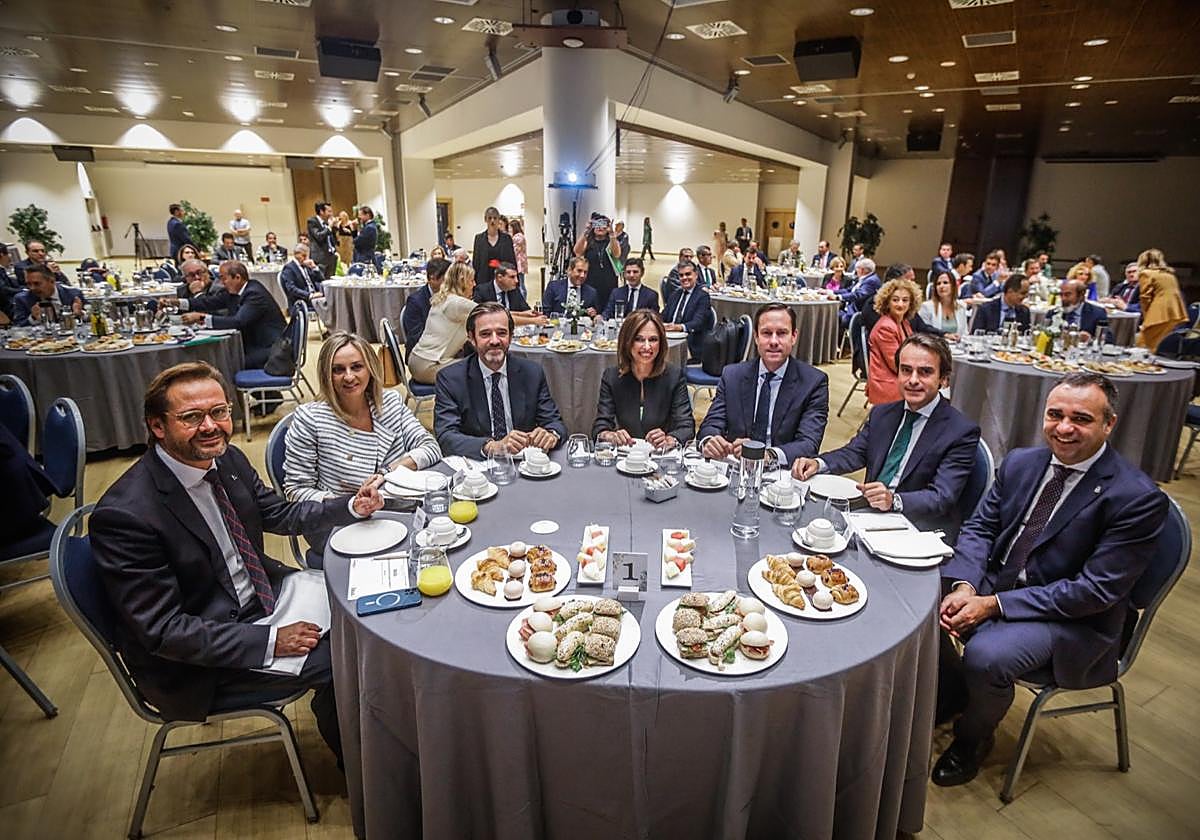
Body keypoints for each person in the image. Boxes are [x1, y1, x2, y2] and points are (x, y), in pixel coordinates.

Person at [89, 362, 384, 763]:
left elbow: (279, 515)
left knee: (369, 612)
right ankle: (361, 769)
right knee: (348, 659)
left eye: (219, 412)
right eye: (192, 417)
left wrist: (350, 505)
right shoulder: (127, 515)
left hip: (264, 599)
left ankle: (360, 730)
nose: (211, 426)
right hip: (202, 657)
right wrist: (270, 640)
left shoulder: (226, 461)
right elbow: (162, 631)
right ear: (157, 426)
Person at [933, 372, 1167, 786]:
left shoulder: (1136, 497)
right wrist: (966, 587)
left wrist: (993, 605)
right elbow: (979, 529)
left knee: (988, 657)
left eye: (1081, 419)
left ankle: (972, 738)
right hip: (997, 584)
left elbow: (1095, 590)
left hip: (1072, 620)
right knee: (913, 590)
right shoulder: (1024, 461)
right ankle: (952, 693)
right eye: (1055, 414)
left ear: (1109, 424)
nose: (1063, 427)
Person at [794, 333, 980, 538]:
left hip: (918, 529)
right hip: (868, 517)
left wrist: (894, 500)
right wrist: (819, 463)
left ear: (943, 380)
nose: (913, 380)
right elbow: (855, 453)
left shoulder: (960, 431)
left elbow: (942, 497)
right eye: (906, 370)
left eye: (925, 372)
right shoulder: (883, 413)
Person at [284, 332, 441, 557]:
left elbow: (430, 447)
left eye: (357, 367)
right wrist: (350, 504)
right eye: (338, 369)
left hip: (395, 511)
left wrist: (387, 473)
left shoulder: (390, 402)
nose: (349, 377)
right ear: (326, 374)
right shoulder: (310, 419)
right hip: (338, 521)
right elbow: (296, 492)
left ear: (370, 368)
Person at [699, 303, 828, 468]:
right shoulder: (732, 375)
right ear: (756, 337)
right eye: (766, 333)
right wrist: (710, 440)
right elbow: (711, 424)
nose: (774, 341)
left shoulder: (813, 382)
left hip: (782, 474)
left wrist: (767, 454)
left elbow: (809, 443)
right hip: (735, 468)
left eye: (781, 333)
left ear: (794, 336)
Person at [434, 302, 566, 458]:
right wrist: (492, 447)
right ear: (471, 338)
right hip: (478, 469)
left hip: (525, 465)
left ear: (510, 336)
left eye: (502, 333)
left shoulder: (531, 373)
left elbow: (555, 422)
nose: (495, 341)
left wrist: (551, 434)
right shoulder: (451, 379)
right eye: (485, 334)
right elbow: (446, 436)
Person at [593, 310, 694, 447]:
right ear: (627, 342)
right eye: (639, 339)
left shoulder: (674, 376)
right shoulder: (611, 377)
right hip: (625, 455)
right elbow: (600, 426)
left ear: (661, 343)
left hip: (660, 456)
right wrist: (610, 435)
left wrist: (670, 439)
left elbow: (686, 427)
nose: (647, 347)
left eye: (653, 339)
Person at [179, 261, 286, 369]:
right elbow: (208, 302)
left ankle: (227, 386)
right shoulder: (234, 292)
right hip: (252, 344)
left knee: (220, 364)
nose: (221, 282)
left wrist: (201, 318)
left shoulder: (254, 293)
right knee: (216, 360)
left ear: (237, 278)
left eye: (223, 278)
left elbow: (238, 322)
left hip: (270, 350)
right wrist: (177, 303)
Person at [408, 262, 476, 385]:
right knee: (479, 367)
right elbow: (494, 314)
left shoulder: (443, 298)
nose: (474, 284)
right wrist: (523, 317)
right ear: (463, 282)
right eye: (471, 281)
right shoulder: (456, 303)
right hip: (429, 366)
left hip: (416, 360)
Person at [867, 275, 922, 405]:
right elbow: (896, 365)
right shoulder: (886, 327)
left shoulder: (904, 322)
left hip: (897, 376)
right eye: (895, 300)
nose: (900, 304)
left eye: (905, 300)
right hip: (888, 383)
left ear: (911, 303)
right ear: (887, 302)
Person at [1135, 248, 1187, 352]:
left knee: (1143, 342)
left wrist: (1146, 318)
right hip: (1176, 312)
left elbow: (1145, 298)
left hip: (1159, 312)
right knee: (1157, 343)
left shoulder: (1146, 273)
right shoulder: (1169, 275)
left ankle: (1141, 365)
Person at [661, 260, 713, 361]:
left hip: (690, 344)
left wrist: (679, 327)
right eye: (681, 275)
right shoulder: (675, 294)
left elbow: (698, 322)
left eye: (688, 274)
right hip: (669, 338)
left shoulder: (702, 296)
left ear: (696, 275)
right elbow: (664, 315)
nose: (684, 278)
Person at [473, 261, 545, 327]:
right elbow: (495, 317)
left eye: (516, 277)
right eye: (512, 277)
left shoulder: (514, 289)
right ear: (500, 277)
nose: (516, 281)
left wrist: (531, 314)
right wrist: (533, 321)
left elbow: (525, 310)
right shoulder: (482, 291)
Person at [574, 213, 621, 312]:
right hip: (591, 281)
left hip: (609, 282)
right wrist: (586, 231)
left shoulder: (611, 241)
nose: (600, 227)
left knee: (607, 310)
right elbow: (577, 252)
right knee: (591, 310)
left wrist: (612, 234)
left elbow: (617, 254)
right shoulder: (588, 241)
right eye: (597, 224)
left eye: (603, 224)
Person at [402, 257, 447, 360]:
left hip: (443, 349)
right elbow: (416, 337)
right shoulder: (415, 301)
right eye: (446, 280)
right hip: (421, 355)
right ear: (432, 278)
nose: (450, 283)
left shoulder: (449, 296)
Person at [11, 263, 84, 326]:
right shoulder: (22, 299)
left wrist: (81, 313)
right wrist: (33, 318)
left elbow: (91, 316)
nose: (32, 288)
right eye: (28, 284)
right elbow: (17, 326)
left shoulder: (73, 294)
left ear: (52, 281)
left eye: (37, 284)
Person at [471, 206, 517, 292]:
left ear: (498, 219)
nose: (492, 221)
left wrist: (513, 279)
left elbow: (511, 260)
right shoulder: (479, 238)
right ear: (485, 219)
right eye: (489, 218)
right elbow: (476, 262)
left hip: (502, 279)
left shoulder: (506, 238)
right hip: (484, 279)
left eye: (495, 218)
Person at [919, 271, 969, 339]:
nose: (941, 286)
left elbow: (964, 333)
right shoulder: (926, 307)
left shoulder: (961, 306)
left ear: (953, 286)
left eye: (945, 283)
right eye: (938, 284)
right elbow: (924, 333)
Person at [837, 256, 880, 327]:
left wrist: (838, 297)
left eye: (857, 269)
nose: (856, 271)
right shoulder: (864, 278)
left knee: (832, 315)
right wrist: (832, 292)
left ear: (863, 270)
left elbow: (858, 295)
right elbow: (849, 290)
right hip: (850, 308)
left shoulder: (872, 281)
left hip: (856, 313)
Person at [279, 243, 325, 309]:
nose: (306, 258)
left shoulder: (307, 265)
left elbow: (321, 279)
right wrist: (310, 295)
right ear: (296, 254)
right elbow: (292, 289)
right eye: (304, 255)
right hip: (303, 300)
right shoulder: (289, 268)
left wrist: (314, 267)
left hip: (316, 296)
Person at [306, 201, 338, 278]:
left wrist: (334, 227)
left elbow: (332, 238)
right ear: (321, 211)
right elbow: (319, 236)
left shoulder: (327, 222)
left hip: (331, 256)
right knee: (321, 281)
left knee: (331, 281)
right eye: (329, 211)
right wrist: (329, 227)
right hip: (320, 258)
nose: (331, 214)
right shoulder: (312, 221)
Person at [0, 242, 21, 322]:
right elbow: (3, 289)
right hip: (6, 308)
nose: (10, 256)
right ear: (2, 254)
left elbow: (12, 283)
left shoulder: (2, 269)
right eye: (8, 253)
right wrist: (22, 290)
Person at [510, 218, 528, 293]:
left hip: (519, 264)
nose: (509, 230)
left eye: (510, 228)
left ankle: (523, 301)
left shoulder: (517, 238)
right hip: (521, 263)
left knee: (521, 285)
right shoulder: (520, 236)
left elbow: (514, 251)